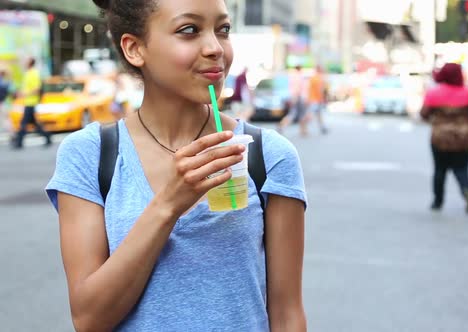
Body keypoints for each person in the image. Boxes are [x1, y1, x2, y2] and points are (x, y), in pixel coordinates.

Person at [45, 1, 307, 331]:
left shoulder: (268, 156)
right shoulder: (90, 154)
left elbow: (287, 315)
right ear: (135, 48)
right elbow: (89, 318)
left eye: (222, 30)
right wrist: (169, 204)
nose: (215, 48)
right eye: (189, 30)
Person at [420, 63, 468, 214]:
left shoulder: (434, 93)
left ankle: (438, 201)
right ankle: (466, 191)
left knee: (439, 170)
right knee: (462, 168)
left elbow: (424, 113)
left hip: (440, 137)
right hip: (464, 137)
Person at [13, 58, 51, 149]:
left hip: (31, 102)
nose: (24, 62)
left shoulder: (34, 73)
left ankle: (19, 142)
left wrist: (25, 93)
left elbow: (37, 88)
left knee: (24, 123)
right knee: (34, 123)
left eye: (26, 61)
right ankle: (47, 136)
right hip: (28, 102)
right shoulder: (28, 73)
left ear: (30, 63)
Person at [278, 65, 308, 136]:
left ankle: (303, 130)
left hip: (294, 96)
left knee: (295, 113)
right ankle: (302, 130)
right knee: (298, 114)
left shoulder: (292, 76)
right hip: (298, 97)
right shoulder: (299, 76)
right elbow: (298, 88)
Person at [303, 65, 328, 135]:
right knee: (310, 115)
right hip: (316, 100)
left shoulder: (313, 78)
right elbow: (319, 90)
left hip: (313, 99)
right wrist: (322, 99)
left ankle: (322, 127)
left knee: (319, 114)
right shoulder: (318, 78)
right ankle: (303, 126)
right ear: (320, 70)